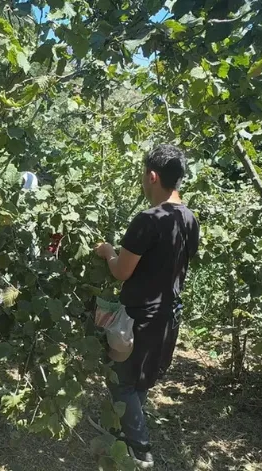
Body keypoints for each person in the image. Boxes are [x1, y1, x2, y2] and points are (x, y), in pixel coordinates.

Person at [93, 144, 200, 468]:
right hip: (168, 315)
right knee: (140, 378)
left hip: (137, 316)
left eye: (143, 176)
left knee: (120, 380)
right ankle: (118, 430)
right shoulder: (190, 219)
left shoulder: (148, 220)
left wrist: (107, 251)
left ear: (152, 176)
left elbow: (121, 271)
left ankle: (140, 450)